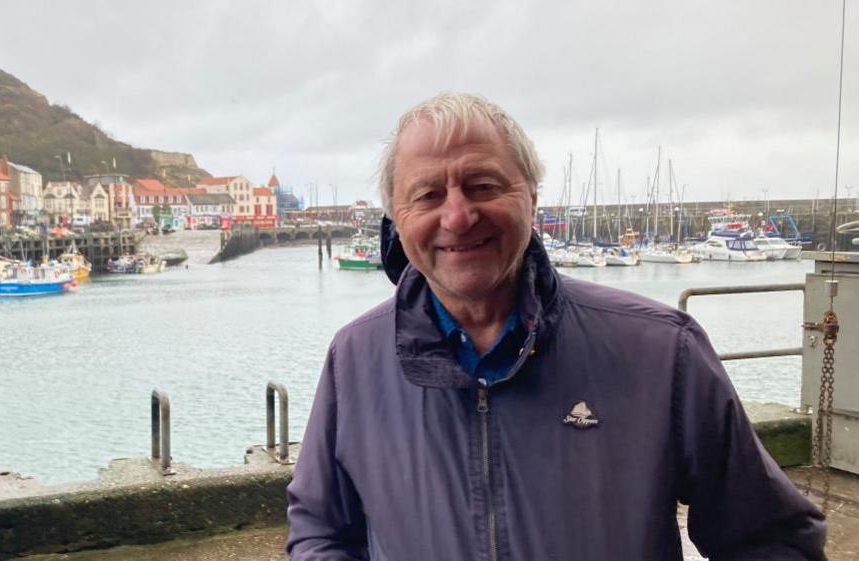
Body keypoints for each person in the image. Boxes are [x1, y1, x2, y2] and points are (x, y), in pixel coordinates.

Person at [286, 92, 826, 560]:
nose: (457, 216)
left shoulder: (661, 351)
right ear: (397, 219)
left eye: (482, 185)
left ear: (532, 196)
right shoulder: (355, 358)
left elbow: (770, 537)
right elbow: (320, 529)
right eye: (427, 195)